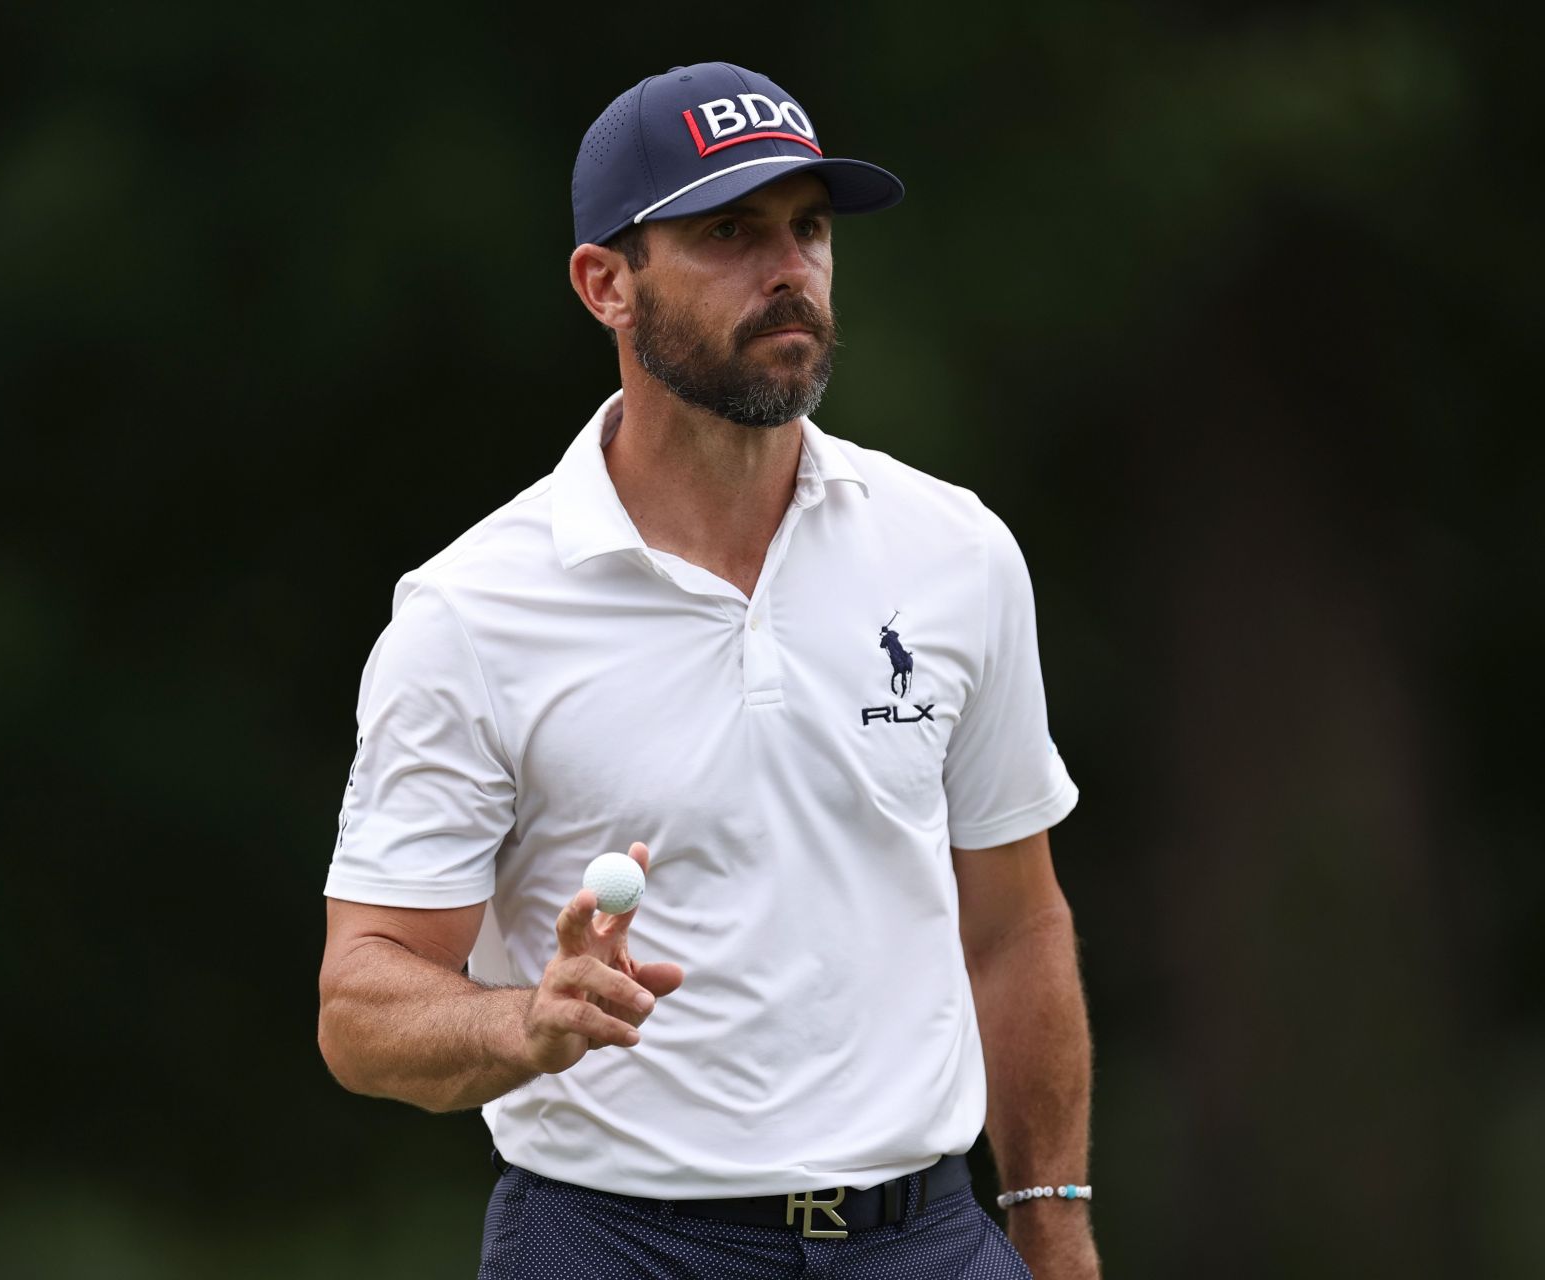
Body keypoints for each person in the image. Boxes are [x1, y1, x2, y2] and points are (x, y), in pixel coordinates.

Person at [317, 61, 1101, 1279]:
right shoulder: (472, 610)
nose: (788, 268)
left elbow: (1015, 924)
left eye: (809, 228)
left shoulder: (955, 551)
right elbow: (361, 1002)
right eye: (730, 232)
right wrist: (524, 1018)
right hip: (615, 1239)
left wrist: (1051, 1227)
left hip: (930, 1242)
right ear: (605, 284)